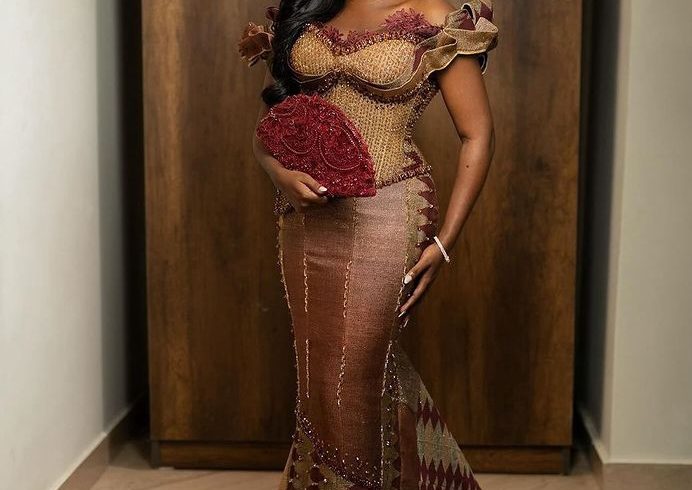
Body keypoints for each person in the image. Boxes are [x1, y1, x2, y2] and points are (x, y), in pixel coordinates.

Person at [239, 1, 498, 488]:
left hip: (390, 210)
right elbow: (265, 132)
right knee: (319, 377)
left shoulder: (435, 14)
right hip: (304, 219)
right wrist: (279, 174)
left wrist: (444, 243)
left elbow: (477, 134)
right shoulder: (308, 9)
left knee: (353, 375)